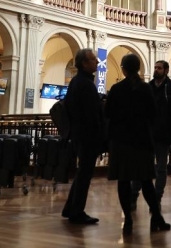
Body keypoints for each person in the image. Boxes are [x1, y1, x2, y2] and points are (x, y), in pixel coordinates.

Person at [105, 54, 171, 235]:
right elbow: (153, 113)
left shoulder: (117, 89)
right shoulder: (145, 88)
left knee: (124, 181)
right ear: (138, 68)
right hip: (141, 140)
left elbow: (108, 113)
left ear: (123, 69)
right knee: (146, 181)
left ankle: (128, 219)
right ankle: (157, 217)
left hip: (121, 141)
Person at [131, 60, 171, 209]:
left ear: (166, 70)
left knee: (161, 168)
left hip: (163, 136)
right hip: (147, 134)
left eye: (159, 68)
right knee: (141, 166)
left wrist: (169, 122)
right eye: (155, 67)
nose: (156, 70)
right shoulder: (146, 88)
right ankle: (133, 196)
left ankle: (157, 198)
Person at [61, 48, 103, 225]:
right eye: (93, 59)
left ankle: (70, 208)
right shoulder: (85, 84)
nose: (97, 62)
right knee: (85, 174)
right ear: (84, 63)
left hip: (79, 134)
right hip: (87, 136)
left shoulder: (76, 81)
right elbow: (91, 114)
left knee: (82, 173)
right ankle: (77, 212)